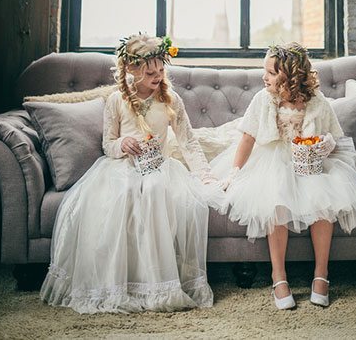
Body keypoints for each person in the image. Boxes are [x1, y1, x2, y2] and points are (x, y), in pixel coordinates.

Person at [40, 34, 222, 314]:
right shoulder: (116, 101)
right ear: (131, 71)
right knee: (122, 194)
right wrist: (122, 145)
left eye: (161, 70)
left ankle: (159, 284)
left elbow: (188, 142)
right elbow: (108, 144)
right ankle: (121, 283)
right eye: (150, 72)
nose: (157, 76)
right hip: (122, 168)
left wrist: (204, 174)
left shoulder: (171, 100)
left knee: (154, 191)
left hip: (158, 167)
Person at [210, 42, 356, 310]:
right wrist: (235, 171)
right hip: (272, 157)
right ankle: (279, 276)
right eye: (265, 71)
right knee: (276, 199)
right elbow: (248, 137)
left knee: (324, 203)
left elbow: (334, 136)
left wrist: (325, 144)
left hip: (308, 160)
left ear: (291, 75)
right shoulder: (263, 99)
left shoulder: (317, 101)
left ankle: (321, 275)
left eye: (272, 73)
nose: (264, 77)